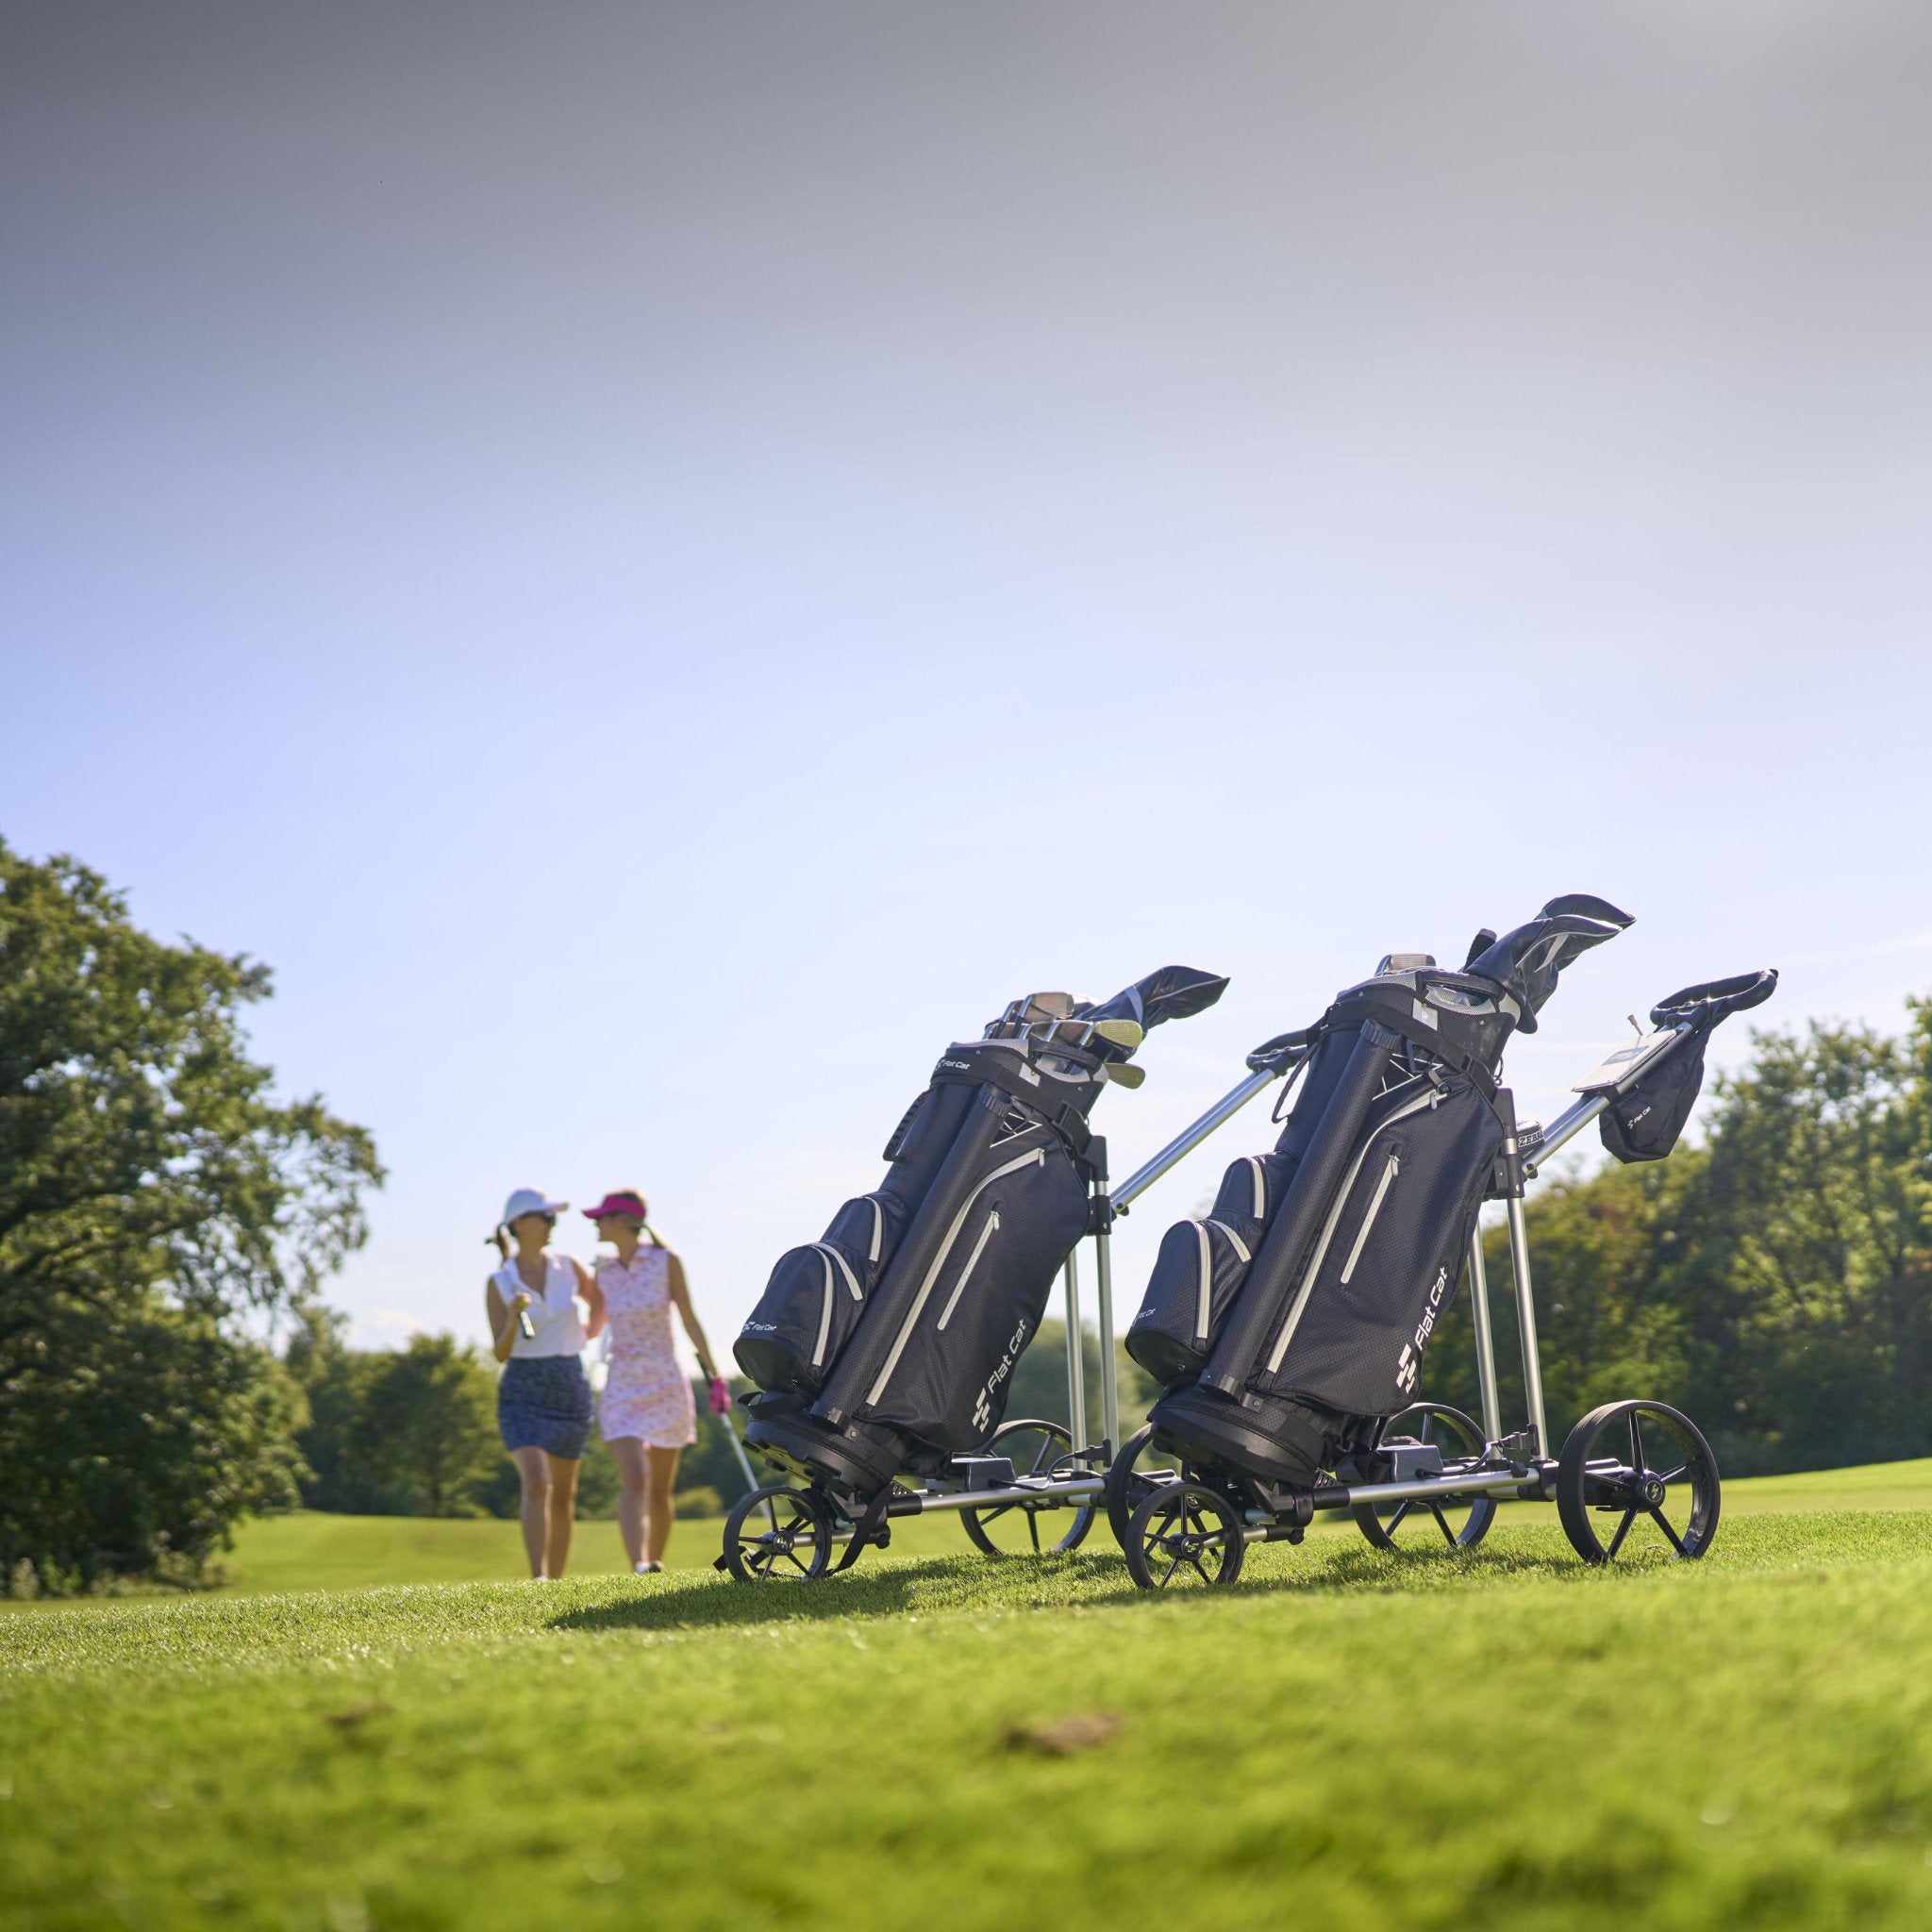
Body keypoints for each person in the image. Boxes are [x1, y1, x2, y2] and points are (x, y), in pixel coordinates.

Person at [584, 1189, 729, 1574]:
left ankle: (653, 1565)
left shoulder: (666, 1262)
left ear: (622, 1220)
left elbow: (689, 1318)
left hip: (665, 1382)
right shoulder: (603, 1270)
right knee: (636, 1476)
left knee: (661, 1487)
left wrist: (715, 1375)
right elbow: (593, 1326)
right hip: (621, 1384)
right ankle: (639, 1564)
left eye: (601, 1217)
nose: (596, 1224)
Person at [487, 1188, 606, 1579]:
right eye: (545, 1217)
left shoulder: (568, 1266)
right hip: (522, 1388)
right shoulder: (499, 1282)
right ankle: (538, 1578)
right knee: (537, 1482)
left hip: (569, 1383)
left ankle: (555, 1581)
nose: (552, 1224)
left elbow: (600, 1300)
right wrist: (511, 1317)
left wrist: (588, 1332)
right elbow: (500, 1352)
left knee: (565, 1494)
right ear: (520, 1224)